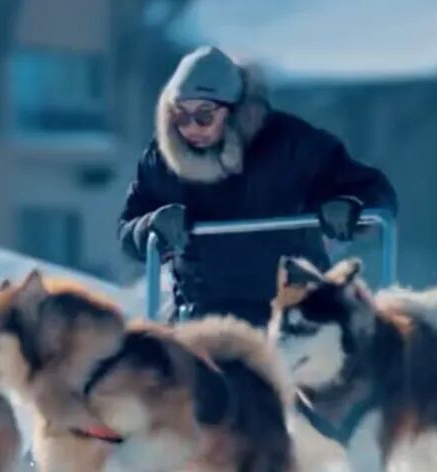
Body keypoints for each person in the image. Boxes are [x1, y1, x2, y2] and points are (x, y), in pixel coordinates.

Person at [118, 46, 397, 326]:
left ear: (234, 110)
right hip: (203, 314)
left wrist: (348, 205)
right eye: (181, 116)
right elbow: (128, 229)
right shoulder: (162, 159)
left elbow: (376, 192)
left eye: (204, 116)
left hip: (294, 313)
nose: (191, 128)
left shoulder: (290, 144)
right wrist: (151, 226)